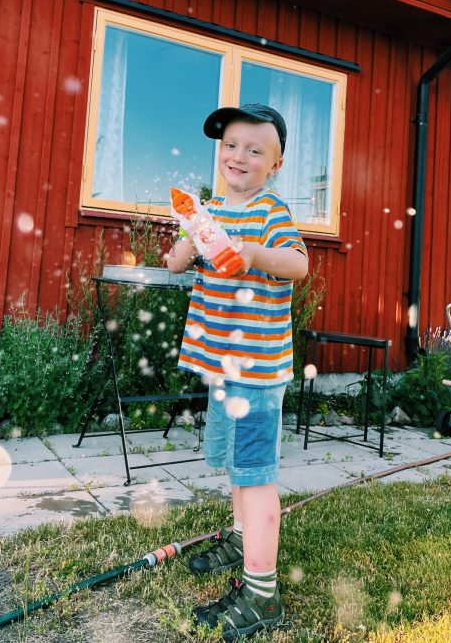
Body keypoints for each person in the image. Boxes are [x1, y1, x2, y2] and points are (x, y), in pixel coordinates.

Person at [166, 103, 308, 639]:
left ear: (274, 164)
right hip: (221, 368)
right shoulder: (209, 214)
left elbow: (298, 264)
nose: (238, 156)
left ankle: (262, 595)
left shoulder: (271, 212)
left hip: (255, 369)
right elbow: (177, 263)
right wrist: (191, 233)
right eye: (230, 146)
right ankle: (237, 534)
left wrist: (251, 251)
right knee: (233, 466)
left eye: (254, 149)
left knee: (255, 474)